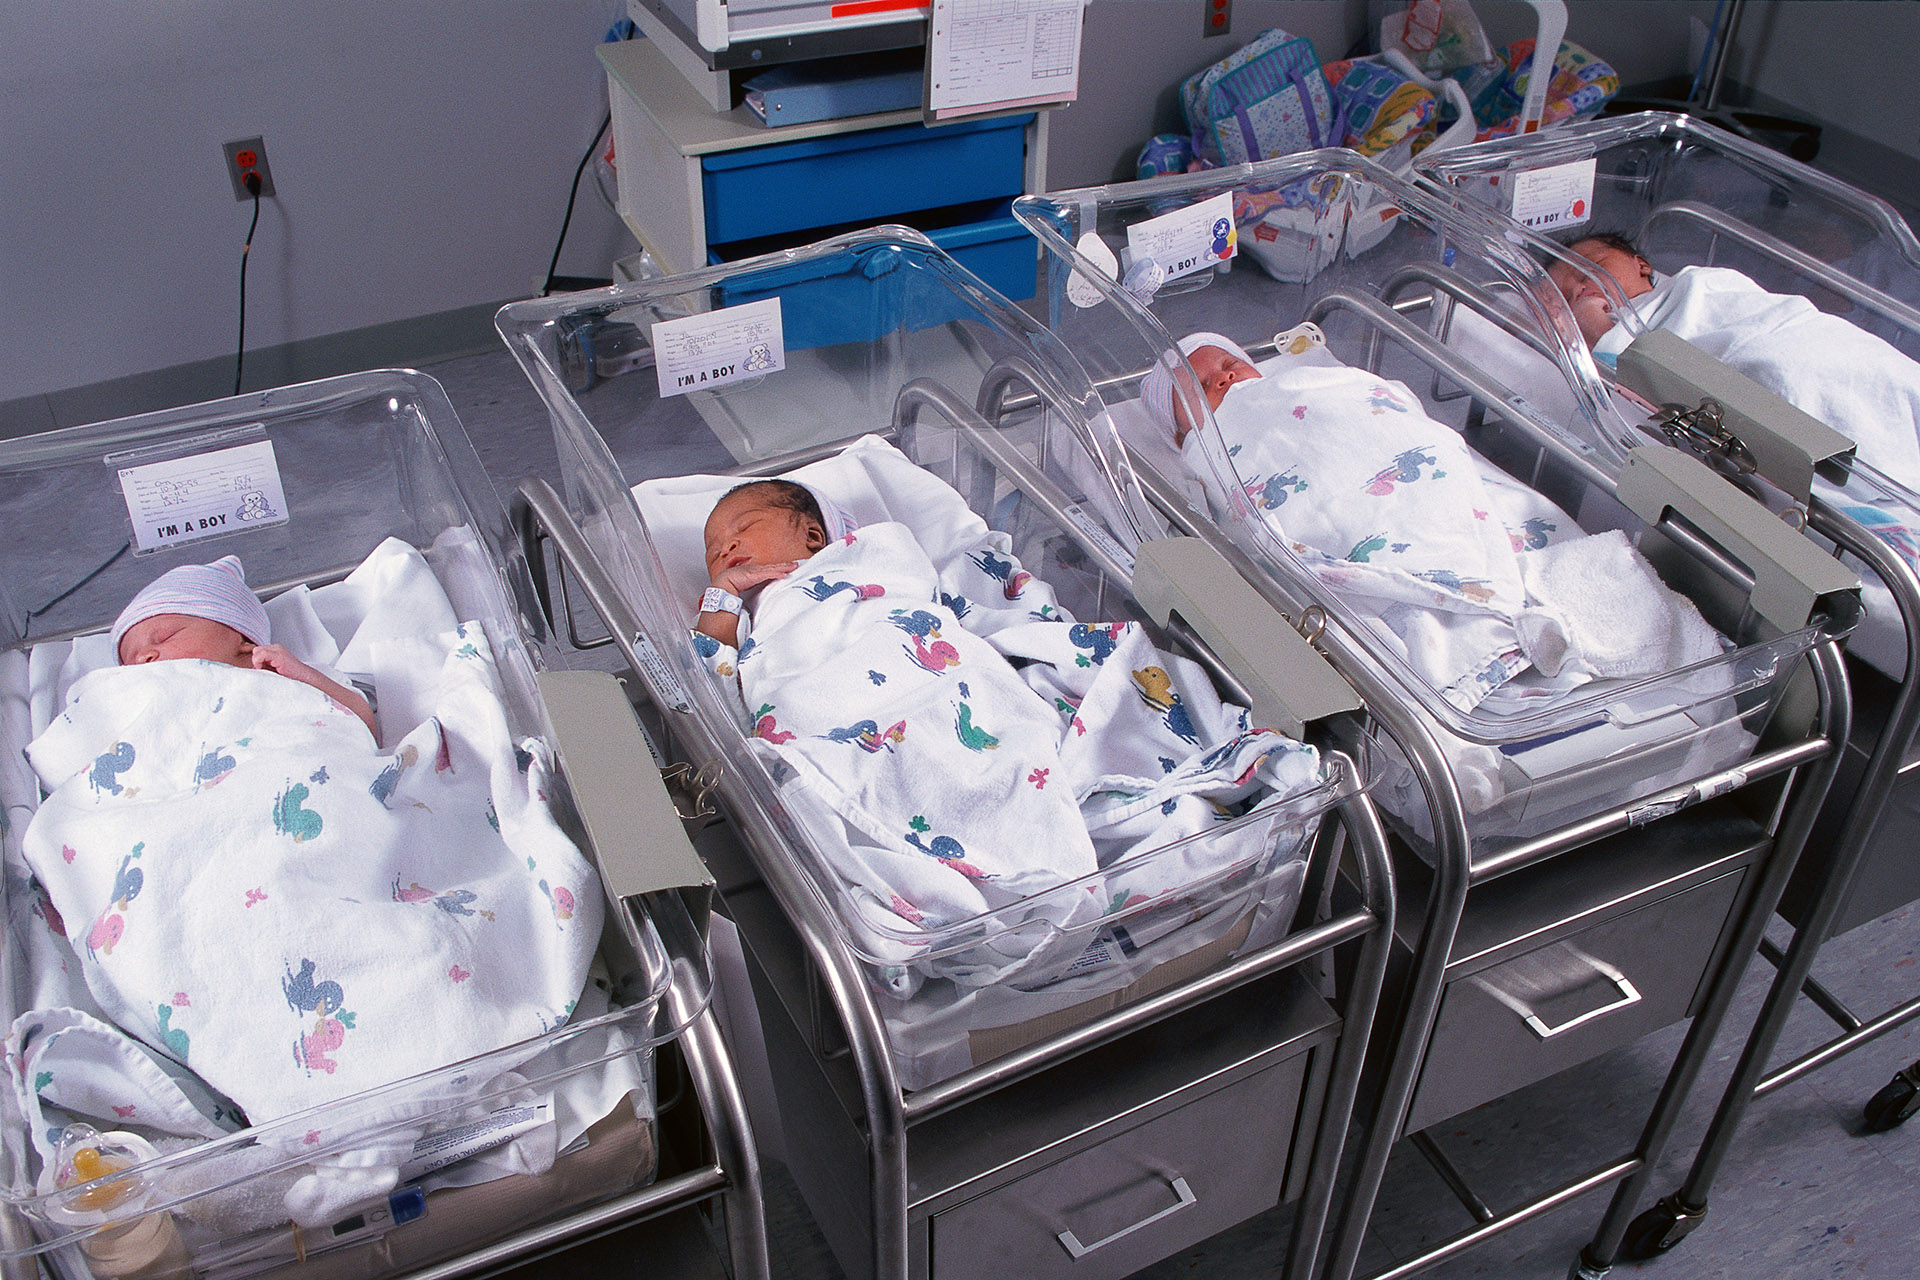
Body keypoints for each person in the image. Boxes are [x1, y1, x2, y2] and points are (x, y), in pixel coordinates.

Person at [111, 555, 377, 737]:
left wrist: (303, 675)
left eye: (166, 637)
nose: (142, 657)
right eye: (129, 661)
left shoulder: (283, 677)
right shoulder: (137, 711)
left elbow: (364, 726)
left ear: (244, 642)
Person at [695, 479, 832, 648]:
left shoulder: (848, 560)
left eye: (745, 527)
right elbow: (710, 657)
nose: (725, 549)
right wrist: (724, 588)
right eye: (714, 553)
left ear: (811, 536)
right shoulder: (733, 613)